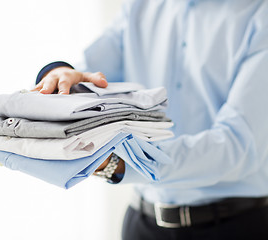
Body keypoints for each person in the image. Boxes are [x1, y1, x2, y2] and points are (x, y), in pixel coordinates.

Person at [32, 0, 268, 239]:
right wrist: (60, 74)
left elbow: (238, 146)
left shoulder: (260, 15)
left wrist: (124, 163)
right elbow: (87, 77)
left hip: (234, 227)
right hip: (141, 224)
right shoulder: (140, 6)